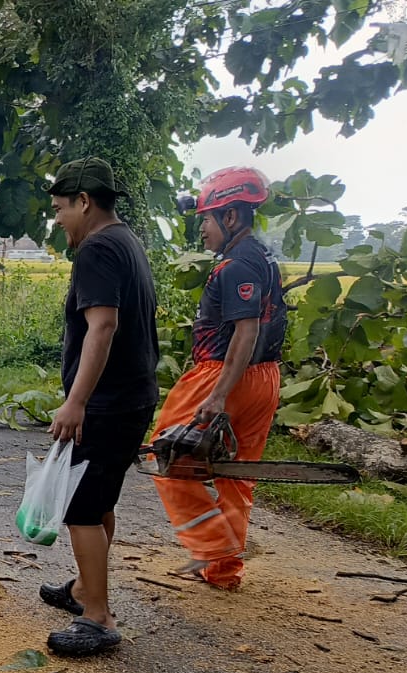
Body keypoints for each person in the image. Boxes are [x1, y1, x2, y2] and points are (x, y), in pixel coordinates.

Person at [40, 157, 161, 658]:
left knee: (80, 506)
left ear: (84, 202)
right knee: (101, 498)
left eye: (60, 209)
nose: (58, 220)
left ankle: (98, 617)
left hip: (107, 404)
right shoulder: (127, 241)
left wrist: (76, 402)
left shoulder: (96, 249)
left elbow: (103, 326)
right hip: (131, 398)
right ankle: (85, 590)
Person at [152, 166, 285, 591]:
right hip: (266, 377)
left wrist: (218, 395)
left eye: (206, 221)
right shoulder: (263, 256)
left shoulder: (234, 266)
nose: (203, 231)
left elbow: (244, 332)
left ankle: (211, 545)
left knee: (166, 450)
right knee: (236, 473)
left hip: (223, 373)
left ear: (230, 218)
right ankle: (224, 572)